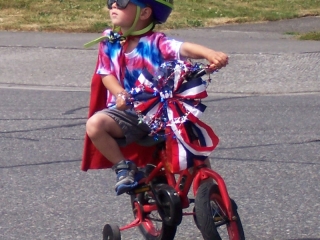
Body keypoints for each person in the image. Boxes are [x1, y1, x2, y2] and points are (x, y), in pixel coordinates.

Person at [83, 0, 229, 195]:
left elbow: (183, 48)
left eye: (123, 1)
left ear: (144, 13)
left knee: (192, 147)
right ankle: (124, 168)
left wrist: (210, 54)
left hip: (162, 113)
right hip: (129, 112)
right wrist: (120, 93)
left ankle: (209, 195)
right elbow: (106, 73)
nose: (114, 5)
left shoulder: (156, 43)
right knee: (95, 125)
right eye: (112, 1)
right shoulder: (110, 41)